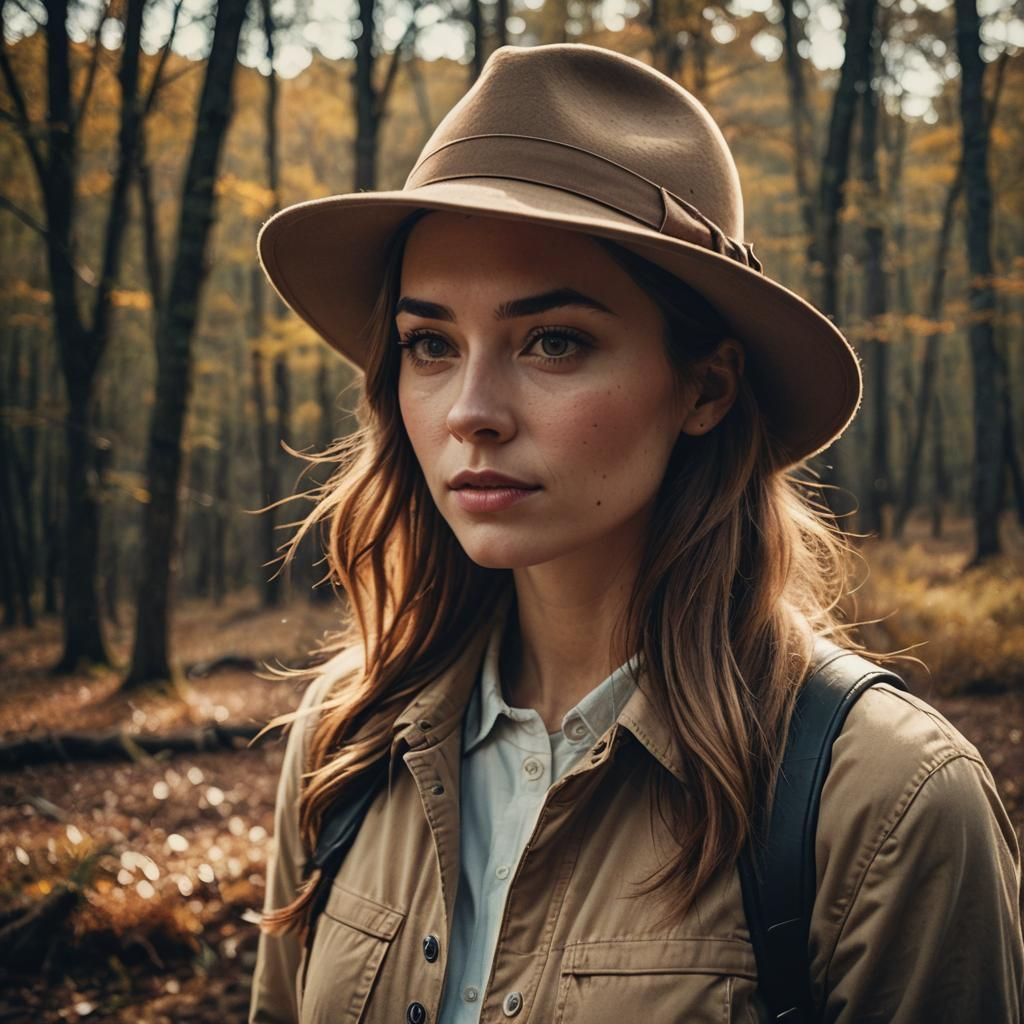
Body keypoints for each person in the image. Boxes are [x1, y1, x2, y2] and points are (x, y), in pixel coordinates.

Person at [247, 43, 1023, 1024]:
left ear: (705, 386)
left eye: (553, 341)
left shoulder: (885, 804)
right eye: (429, 344)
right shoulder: (345, 739)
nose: (469, 412)